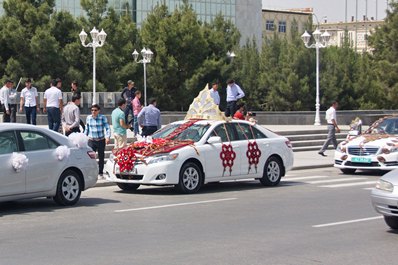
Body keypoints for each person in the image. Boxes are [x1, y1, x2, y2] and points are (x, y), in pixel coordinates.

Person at [85, 104, 111, 177]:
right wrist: (83, 137)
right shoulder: (88, 118)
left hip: (101, 140)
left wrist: (108, 137)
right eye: (92, 110)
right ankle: (92, 172)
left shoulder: (102, 118)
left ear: (98, 111)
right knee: (91, 157)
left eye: (95, 110)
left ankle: (100, 172)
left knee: (101, 157)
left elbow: (107, 128)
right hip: (91, 140)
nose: (93, 112)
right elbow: (87, 129)